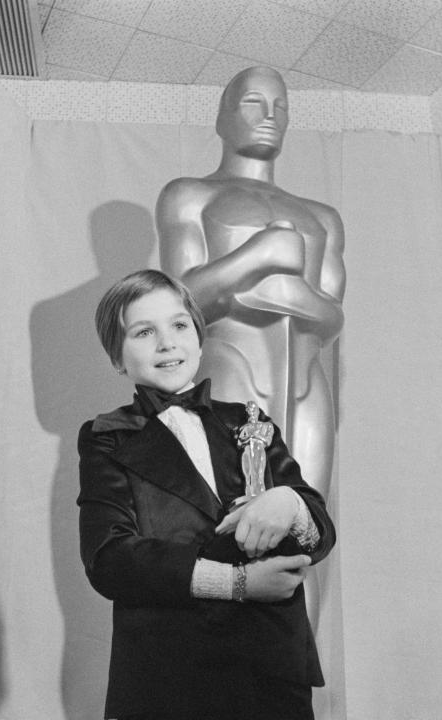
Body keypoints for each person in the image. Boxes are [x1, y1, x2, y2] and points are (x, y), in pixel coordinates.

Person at [77, 269, 335, 720]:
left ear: (198, 335)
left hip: (272, 673)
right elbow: (111, 560)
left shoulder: (250, 421)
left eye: (179, 325)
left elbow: (320, 532)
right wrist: (238, 585)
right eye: (144, 332)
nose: (167, 343)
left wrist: (289, 503)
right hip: (172, 679)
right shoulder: (107, 438)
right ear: (117, 358)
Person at [155, 66, 346, 500]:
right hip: (229, 370)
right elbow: (179, 308)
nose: (269, 115)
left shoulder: (323, 217)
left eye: (280, 106)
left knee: (308, 527)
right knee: (234, 524)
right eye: (253, 102)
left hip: (306, 386)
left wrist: (288, 297)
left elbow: (332, 318)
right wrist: (256, 256)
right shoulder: (190, 196)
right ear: (222, 119)